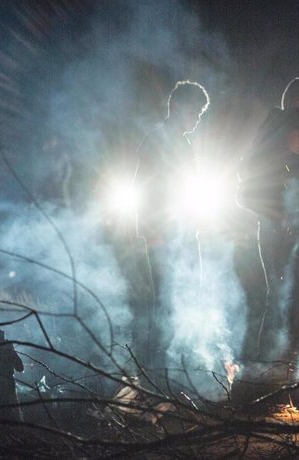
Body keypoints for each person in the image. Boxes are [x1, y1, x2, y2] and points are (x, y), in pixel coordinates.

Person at [235, 78, 299, 364]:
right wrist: (277, 214)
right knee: (274, 296)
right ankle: (259, 365)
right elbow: (250, 184)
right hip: (274, 232)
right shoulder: (272, 137)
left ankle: (285, 363)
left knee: (296, 299)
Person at [126, 80, 210, 374]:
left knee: (186, 296)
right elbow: (144, 189)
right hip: (163, 236)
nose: (197, 118)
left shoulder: (184, 143)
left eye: (201, 113)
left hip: (184, 232)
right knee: (164, 302)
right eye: (195, 111)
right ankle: (156, 371)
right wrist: (151, 233)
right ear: (177, 107)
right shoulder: (155, 140)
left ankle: (177, 364)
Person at [0, 326, 24, 421]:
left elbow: (20, 367)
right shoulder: (8, 346)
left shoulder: (8, 346)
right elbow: (20, 367)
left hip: (2, 385)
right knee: (12, 416)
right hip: (8, 384)